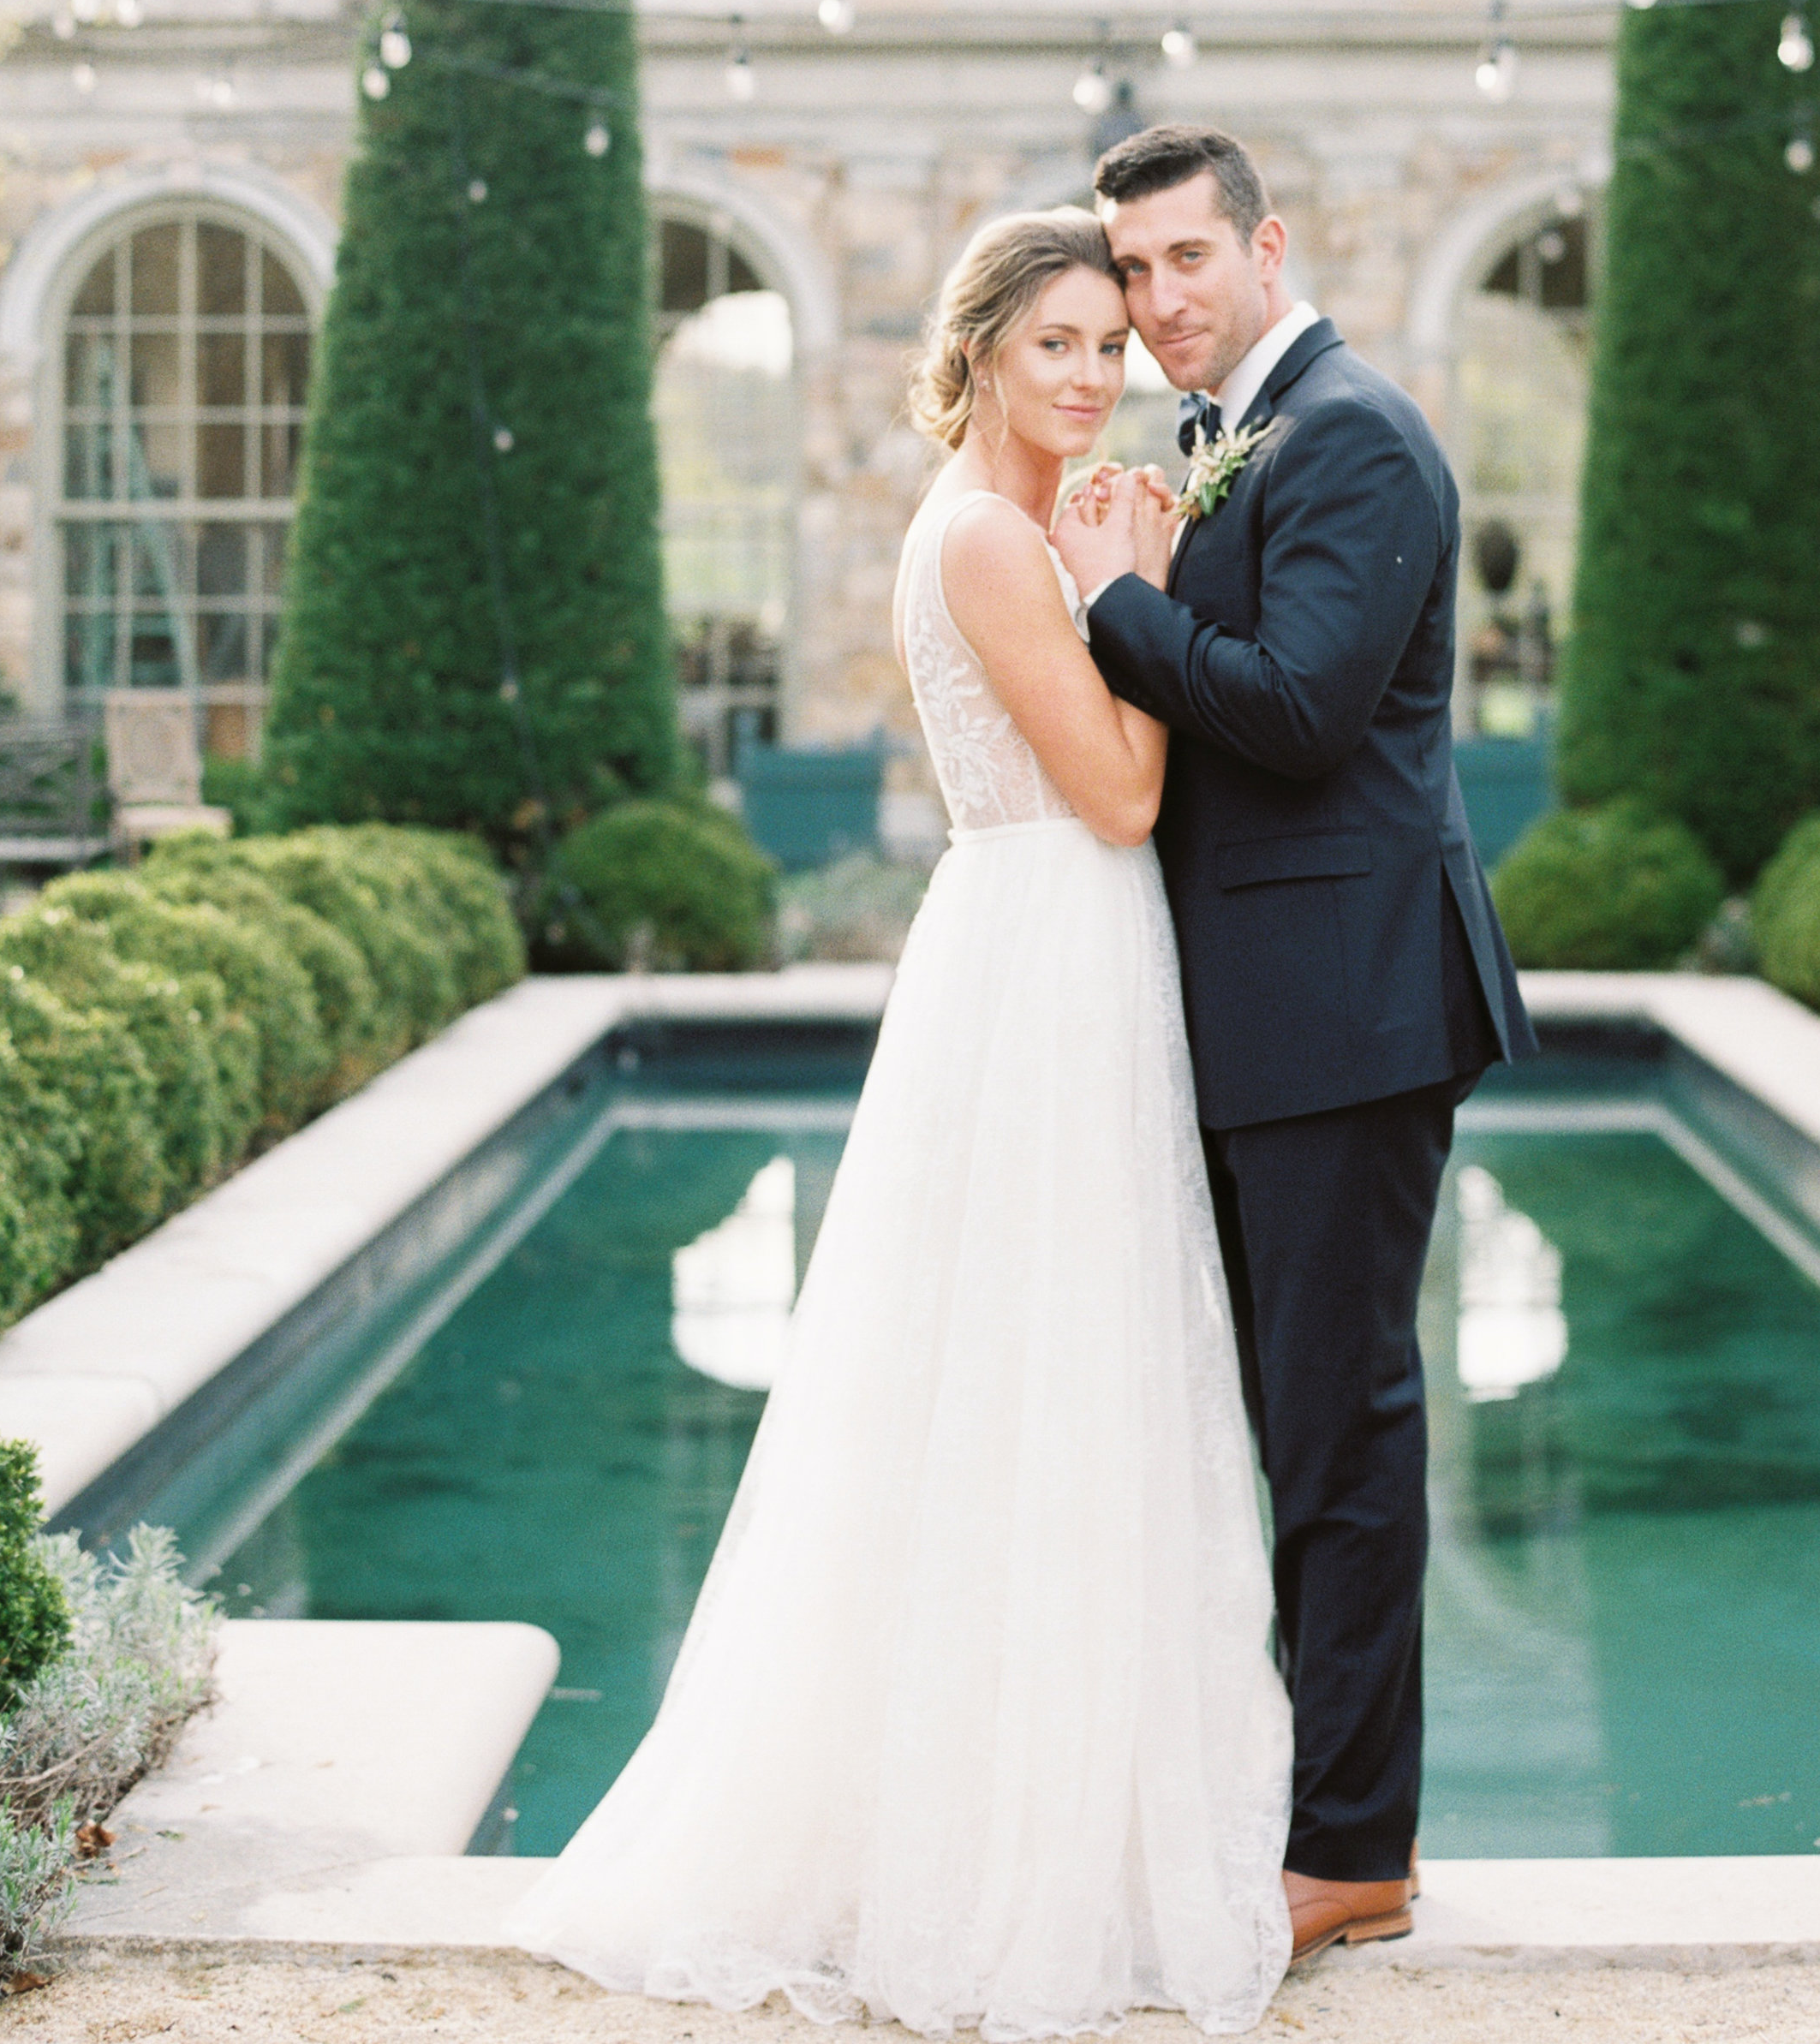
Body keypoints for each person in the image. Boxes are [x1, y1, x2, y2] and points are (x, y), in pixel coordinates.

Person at [511, 207, 1293, 2036]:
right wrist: (1142, 595)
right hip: (1051, 951)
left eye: (1107, 347)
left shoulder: (1008, 522)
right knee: (1046, 1381)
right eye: (1054, 346)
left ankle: (1033, 1823)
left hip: (1041, 950)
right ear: (979, 355)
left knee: (1022, 1381)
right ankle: (1002, 1866)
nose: (1091, 377)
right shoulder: (998, 544)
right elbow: (1117, 797)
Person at [1053, 124, 1534, 1966]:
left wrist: (1116, 608)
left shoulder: (1350, 435)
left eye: (1187, 258)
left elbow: (1304, 710)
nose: (1158, 299)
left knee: (1339, 1437)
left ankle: (1351, 1849)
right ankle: (1292, 1803)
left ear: (1266, 249)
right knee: (1280, 1424)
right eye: (1133, 269)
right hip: (1268, 1010)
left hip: (1345, 1013)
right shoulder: (1224, 436)